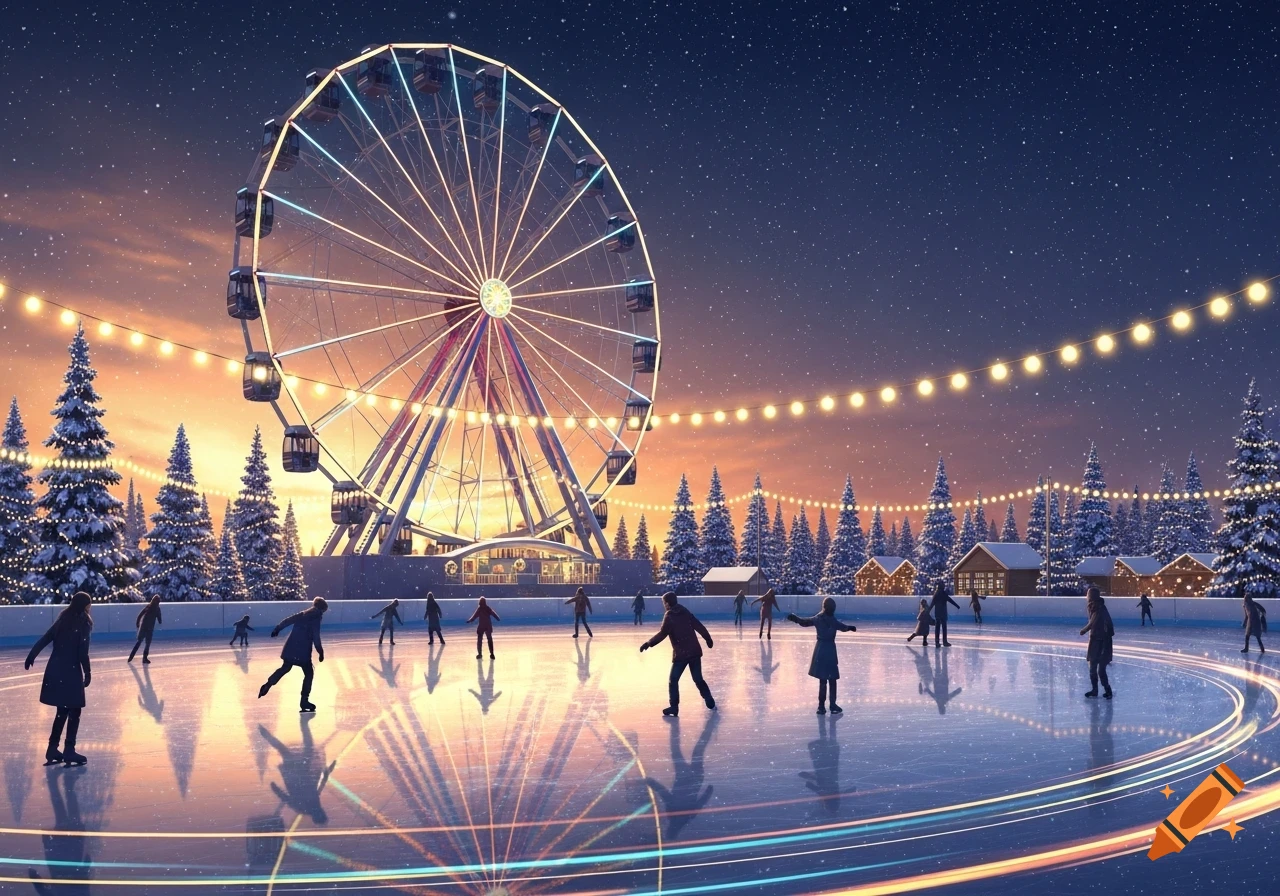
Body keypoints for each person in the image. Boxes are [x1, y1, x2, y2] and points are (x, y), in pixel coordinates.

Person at [25, 592, 94, 767]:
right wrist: (88, 672)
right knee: (75, 710)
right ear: (84, 606)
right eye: (88, 605)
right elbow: (82, 652)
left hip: (56, 669)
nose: (90, 608)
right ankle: (69, 750)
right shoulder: (83, 622)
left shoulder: (63, 619)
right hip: (70, 671)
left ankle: (52, 748)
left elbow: (46, 637)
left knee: (62, 710)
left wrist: (31, 655)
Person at [640, 592, 716, 717]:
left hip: (681, 654)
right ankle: (709, 700)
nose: (664, 605)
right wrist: (707, 638)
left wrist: (648, 643)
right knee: (698, 679)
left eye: (664, 603)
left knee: (673, 680)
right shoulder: (684, 611)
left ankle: (674, 707)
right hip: (694, 651)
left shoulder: (669, 615)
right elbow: (698, 625)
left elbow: (662, 634)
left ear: (668, 603)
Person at [786, 597, 857, 715]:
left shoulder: (819, 618)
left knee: (823, 680)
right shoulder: (829, 619)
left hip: (821, 649)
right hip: (828, 649)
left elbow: (805, 622)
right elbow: (841, 626)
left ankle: (822, 706)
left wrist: (796, 619)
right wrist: (849, 627)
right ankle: (831, 705)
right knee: (831, 679)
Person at [259, 597, 328, 712]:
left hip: (291, 648)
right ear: (321, 610)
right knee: (309, 674)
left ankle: (268, 684)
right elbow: (316, 637)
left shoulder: (303, 614)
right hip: (303, 651)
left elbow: (287, 621)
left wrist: (277, 629)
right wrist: (320, 652)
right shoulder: (316, 618)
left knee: (285, 668)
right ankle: (304, 700)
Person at [1079, 587, 1115, 699]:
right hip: (1095, 640)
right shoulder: (1093, 607)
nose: (1087, 597)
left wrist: (1084, 630)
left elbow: (1093, 622)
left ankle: (1107, 690)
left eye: (1089, 595)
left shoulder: (1100, 608)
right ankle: (1094, 690)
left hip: (1103, 641)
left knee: (1101, 669)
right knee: (1092, 667)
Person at [128, 594, 162, 664]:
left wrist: (137, 623)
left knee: (141, 642)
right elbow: (159, 620)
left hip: (145, 627)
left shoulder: (149, 607)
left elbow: (140, 615)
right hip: (147, 628)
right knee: (146, 643)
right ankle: (143, 658)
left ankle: (132, 657)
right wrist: (159, 620)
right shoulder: (155, 608)